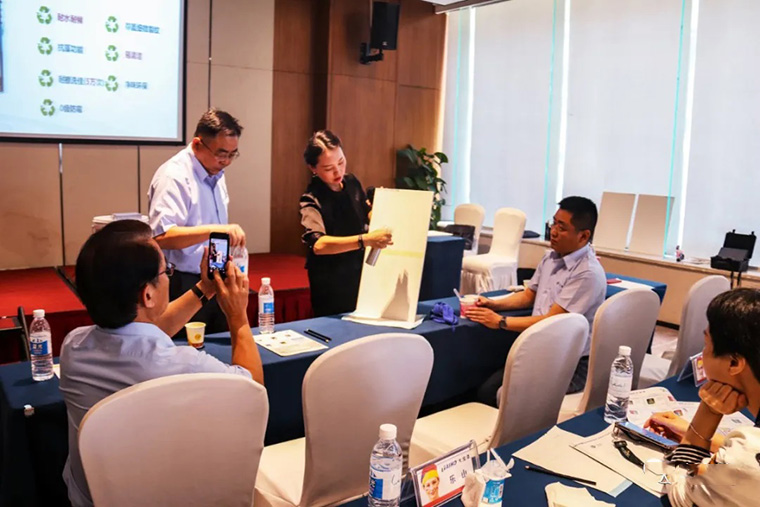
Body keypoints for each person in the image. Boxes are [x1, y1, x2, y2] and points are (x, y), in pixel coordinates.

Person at [59, 220, 263, 507]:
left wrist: (204, 288)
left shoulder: (73, 348)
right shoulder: (185, 367)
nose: (169, 276)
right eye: (167, 271)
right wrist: (238, 317)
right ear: (148, 294)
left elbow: (142, 332)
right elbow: (253, 392)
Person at [467, 196, 606, 405]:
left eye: (562, 227)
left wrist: (500, 322)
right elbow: (529, 295)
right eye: (553, 223)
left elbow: (553, 320)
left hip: (571, 362)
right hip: (541, 350)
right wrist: (495, 304)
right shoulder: (551, 257)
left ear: (583, 235)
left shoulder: (587, 273)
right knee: (485, 389)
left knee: (504, 396)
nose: (554, 232)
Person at [645, 288, 760, 507]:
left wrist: (708, 412)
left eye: (707, 345)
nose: (702, 353)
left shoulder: (749, 451)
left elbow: (682, 492)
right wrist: (691, 432)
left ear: (734, 363)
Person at [148, 108, 247, 333]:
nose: (226, 161)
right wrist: (216, 230)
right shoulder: (174, 176)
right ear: (197, 144)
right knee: (187, 348)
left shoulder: (215, 172)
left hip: (216, 277)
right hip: (184, 283)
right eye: (221, 153)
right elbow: (162, 236)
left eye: (233, 154)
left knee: (219, 346)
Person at [299, 130, 393, 316]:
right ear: (313, 168)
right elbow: (319, 245)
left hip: (360, 272)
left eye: (341, 162)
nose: (338, 171)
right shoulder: (311, 198)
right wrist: (365, 240)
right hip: (330, 281)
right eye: (328, 168)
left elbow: (366, 213)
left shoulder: (352, 183)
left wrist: (381, 208)